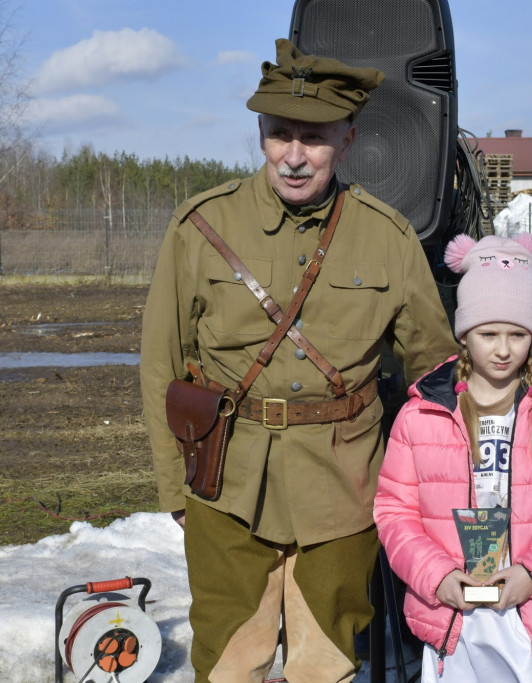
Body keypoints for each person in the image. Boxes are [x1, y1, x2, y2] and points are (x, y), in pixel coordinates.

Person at [140, 38, 458, 682]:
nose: (292, 156)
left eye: (312, 137)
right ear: (259, 132)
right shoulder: (201, 226)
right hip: (225, 481)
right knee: (229, 664)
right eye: (277, 133)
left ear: (348, 137)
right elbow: (160, 364)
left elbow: (434, 369)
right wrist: (175, 488)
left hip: (344, 486)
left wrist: (434, 481)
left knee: (326, 665)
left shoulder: (386, 234)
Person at [373, 233, 532, 682]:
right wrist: (436, 575)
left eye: (518, 334)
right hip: (451, 615)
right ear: (465, 335)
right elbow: (393, 512)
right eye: (488, 334)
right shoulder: (420, 415)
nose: (503, 349)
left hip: (531, 615)